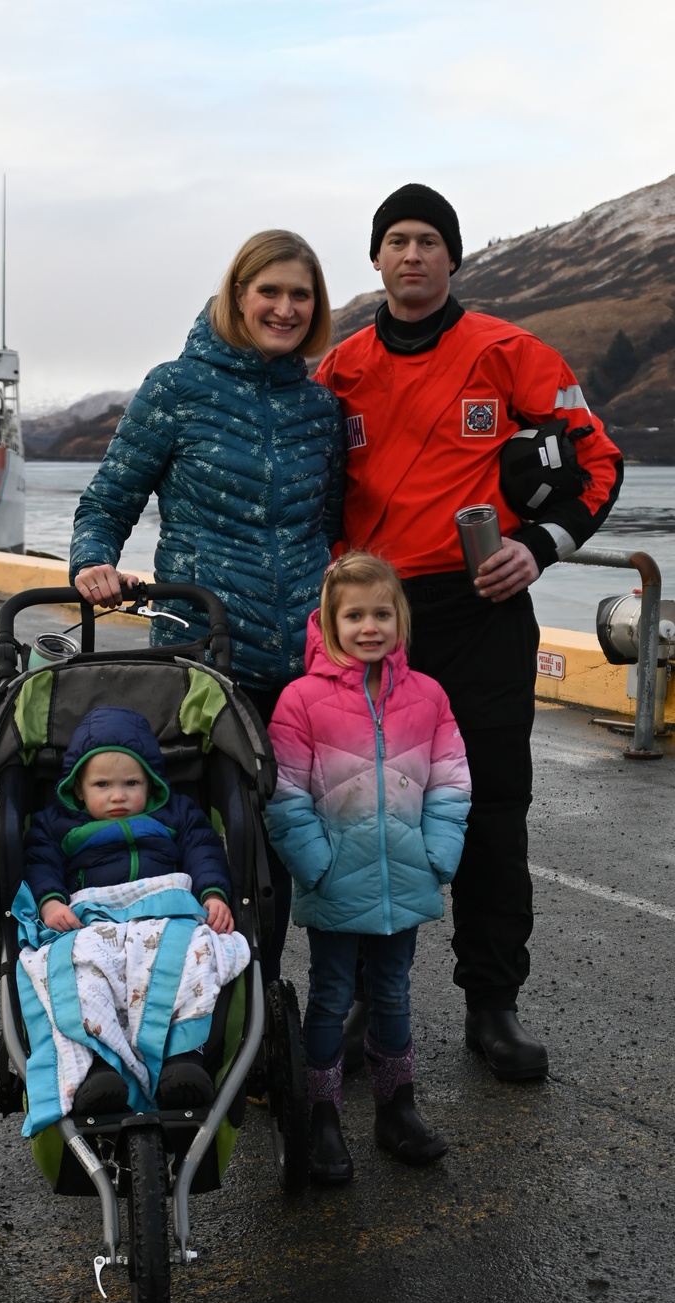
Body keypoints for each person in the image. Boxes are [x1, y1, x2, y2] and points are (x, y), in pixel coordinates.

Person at [314, 184, 624, 1082]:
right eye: (396, 242)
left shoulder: (509, 351)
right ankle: (372, 999)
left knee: (491, 816)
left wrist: (538, 546)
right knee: (366, 816)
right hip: (373, 622)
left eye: (429, 242)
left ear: (454, 258)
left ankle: (493, 1006)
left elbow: (596, 458)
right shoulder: (340, 368)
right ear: (375, 260)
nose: (412, 256)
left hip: (481, 613)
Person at [69, 230, 346, 977]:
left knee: (304, 835)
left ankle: (298, 1014)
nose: (285, 308)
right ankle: (215, 1002)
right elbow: (107, 501)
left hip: (310, 661)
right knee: (222, 839)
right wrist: (94, 563)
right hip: (206, 652)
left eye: (301, 295)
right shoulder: (176, 388)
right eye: (271, 291)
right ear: (237, 295)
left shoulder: (321, 409)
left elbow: (328, 526)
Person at [265, 553, 470, 1182]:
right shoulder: (300, 701)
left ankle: (396, 1109)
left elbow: (451, 781)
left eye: (382, 613)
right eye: (354, 615)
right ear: (330, 622)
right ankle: (320, 1115)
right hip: (335, 880)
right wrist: (316, 866)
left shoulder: (428, 696)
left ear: (400, 618)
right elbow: (285, 795)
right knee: (329, 998)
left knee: (392, 994)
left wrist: (439, 854)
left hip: (406, 876)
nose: (370, 626)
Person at [21, 706, 247, 1120]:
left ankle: (184, 1059)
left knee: (193, 961)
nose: (118, 795)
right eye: (102, 784)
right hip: (94, 919)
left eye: (131, 783)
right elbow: (40, 863)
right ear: (78, 788)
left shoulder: (175, 814)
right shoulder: (57, 824)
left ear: (152, 783)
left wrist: (214, 894)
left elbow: (204, 850)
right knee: (82, 972)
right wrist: (51, 900)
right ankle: (101, 1069)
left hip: (168, 916)